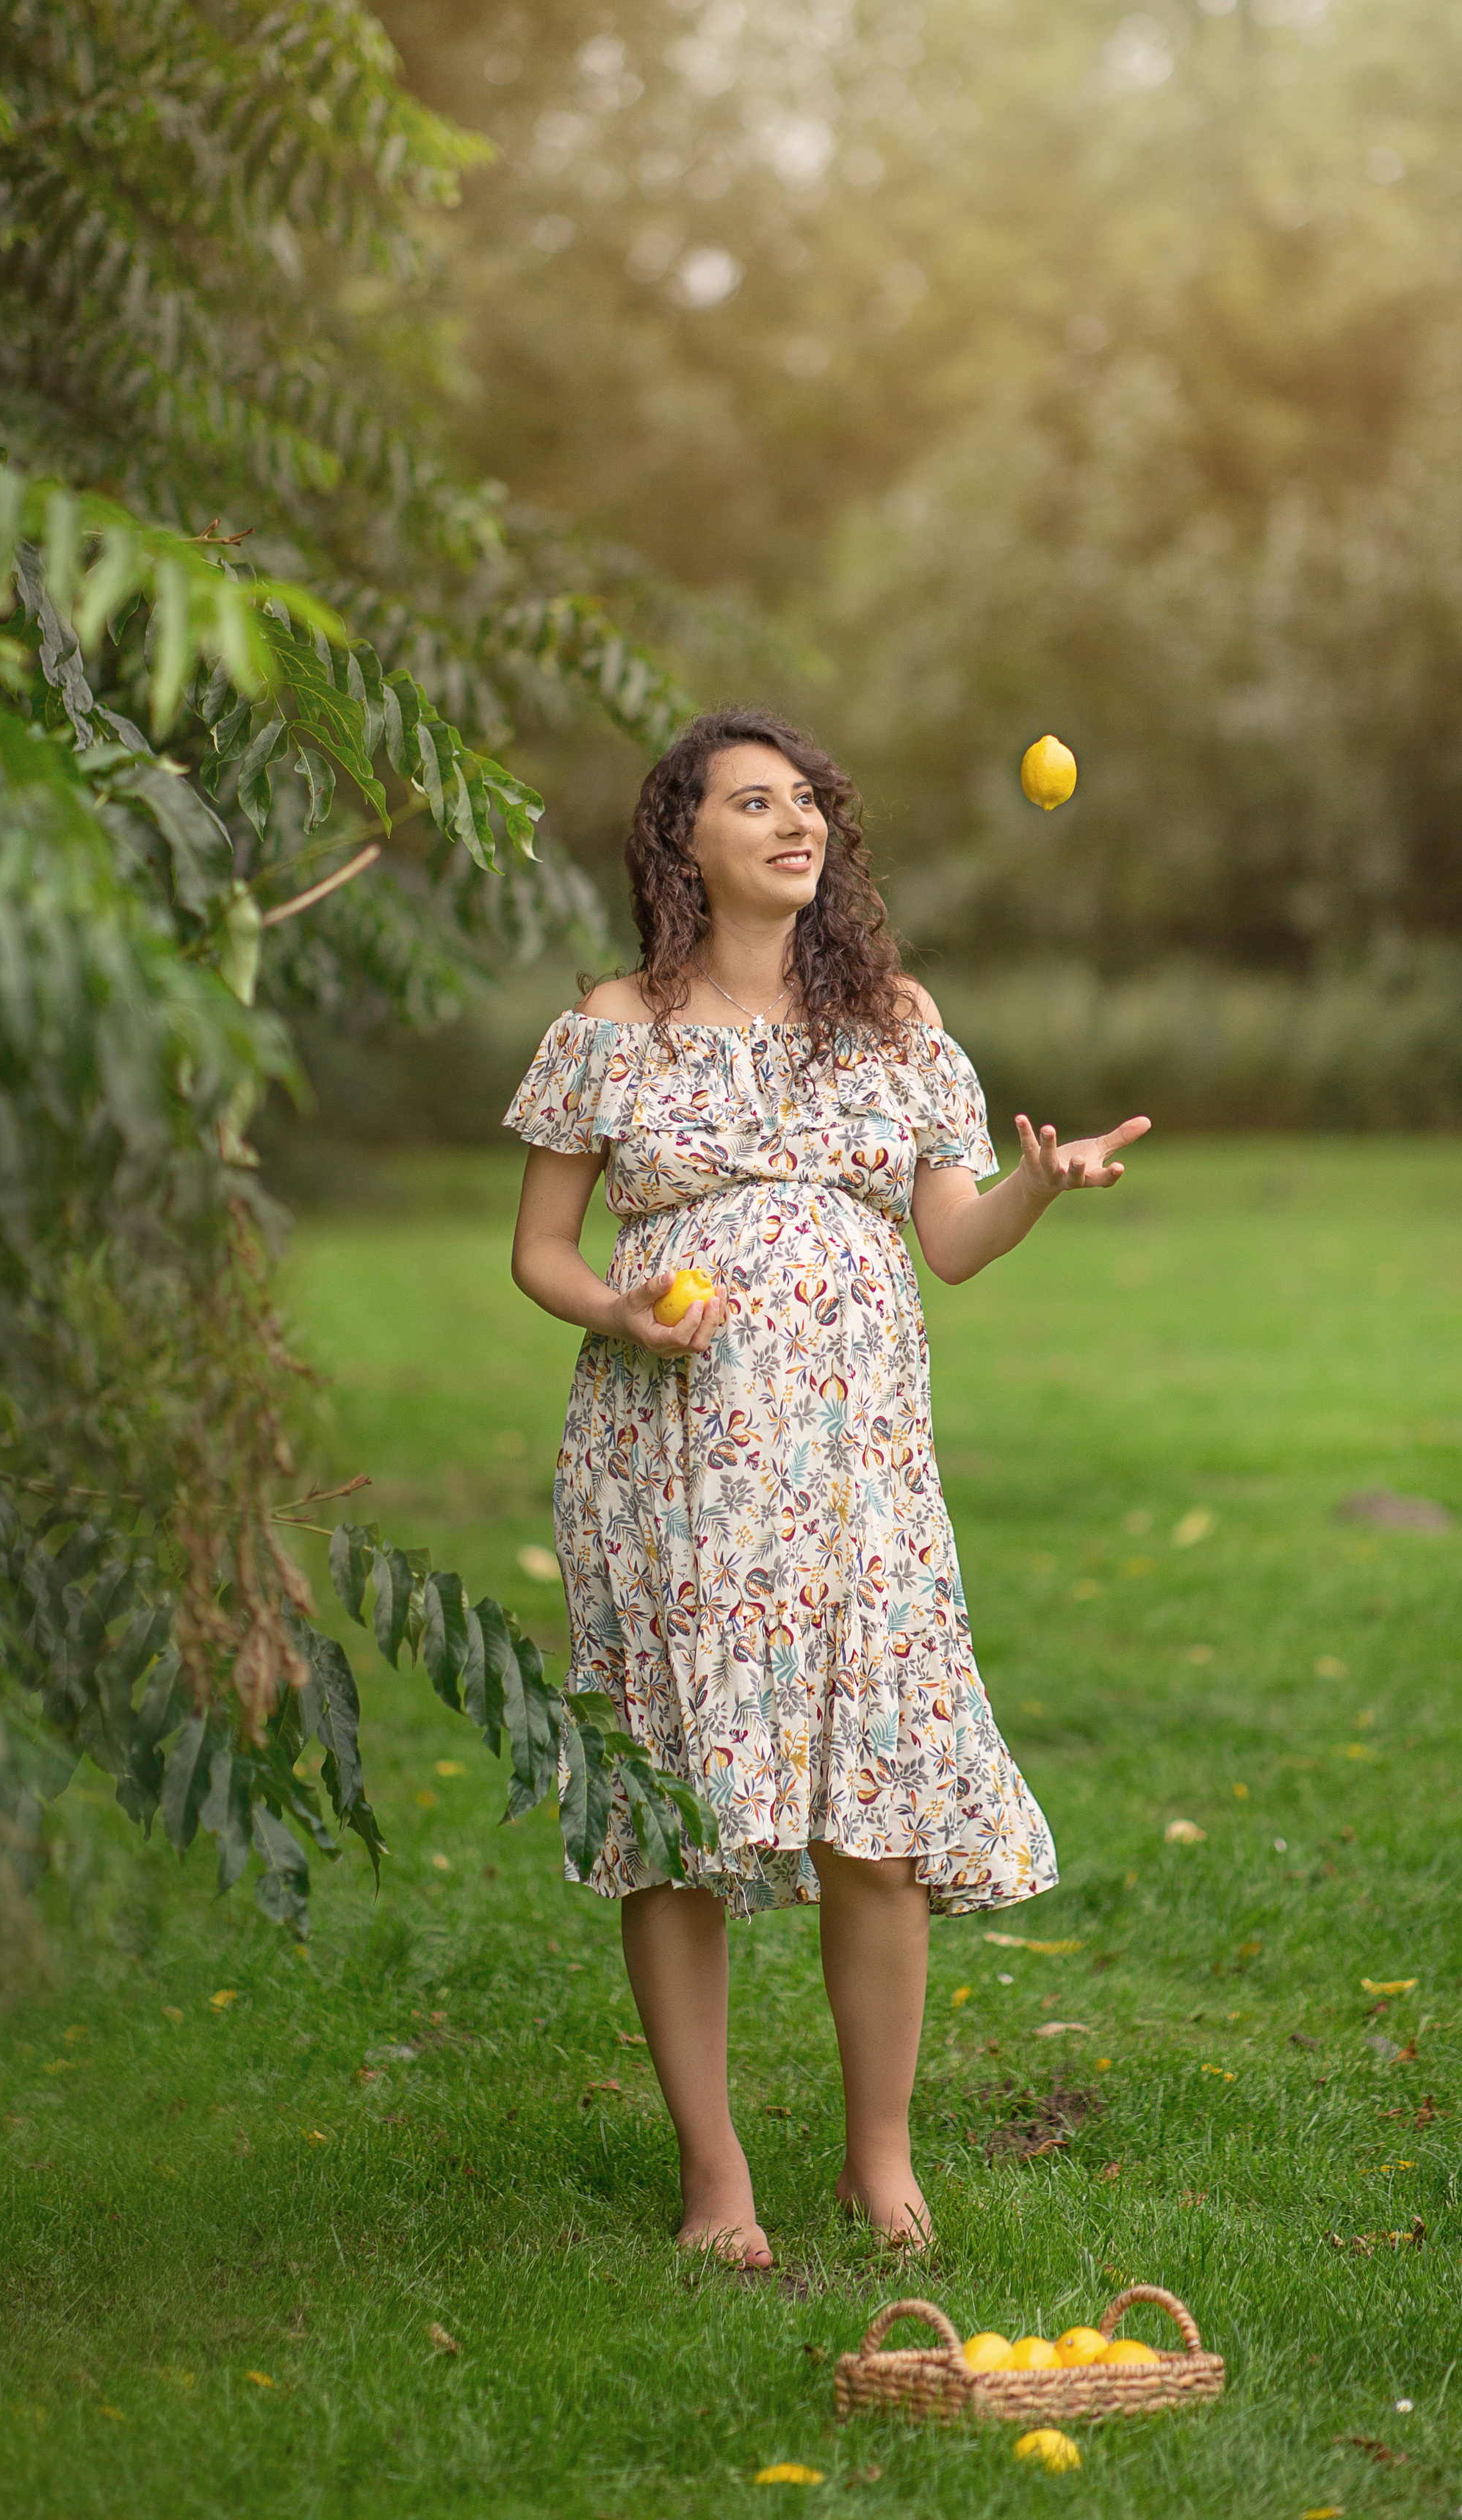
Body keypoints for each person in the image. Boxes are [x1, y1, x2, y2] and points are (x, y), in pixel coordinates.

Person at [507, 708, 1149, 2266]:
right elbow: (538, 1250)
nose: (793, 823)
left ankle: (880, 2161)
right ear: (685, 842)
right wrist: (621, 1312)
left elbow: (946, 1237)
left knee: (875, 1797)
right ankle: (714, 2171)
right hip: (670, 1465)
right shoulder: (613, 1021)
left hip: (857, 1472)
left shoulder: (891, 1016)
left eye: (805, 802)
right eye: (752, 802)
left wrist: (1030, 1191)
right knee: (674, 1811)